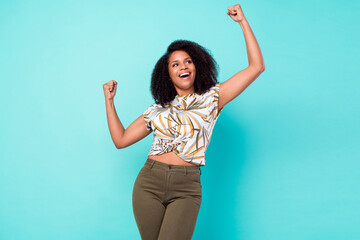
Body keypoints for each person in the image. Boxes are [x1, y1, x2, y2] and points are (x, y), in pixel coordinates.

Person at [103, 3, 265, 240]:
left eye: (188, 61)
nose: (183, 66)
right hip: (149, 182)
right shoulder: (157, 109)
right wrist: (109, 101)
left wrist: (242, 22)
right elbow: (121, 139)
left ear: (197, 66)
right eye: (175, 64)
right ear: (167, 74)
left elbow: (256, 67)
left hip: (186, 187)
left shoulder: (212, 98)